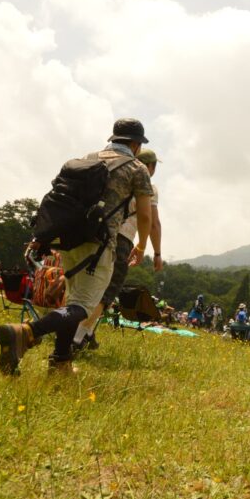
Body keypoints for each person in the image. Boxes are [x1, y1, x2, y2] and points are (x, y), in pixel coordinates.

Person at [0, 118, 154, 376]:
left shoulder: (88, 157)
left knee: (72, 302)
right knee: (82, 308)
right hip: (99, 244)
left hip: (68, 241)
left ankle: (61, 363)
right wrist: (142, 246)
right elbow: (145, 216)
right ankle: (25, 332)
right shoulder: (137, 168)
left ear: (114, 138)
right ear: (136, 145)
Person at [74, 147, 164, 351]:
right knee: (108, 289)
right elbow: (152, 222)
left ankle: (87, 333)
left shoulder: (116, 174)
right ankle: (77, 337)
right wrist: (155, 252)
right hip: (122, 239)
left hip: (94, 231)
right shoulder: (148, 185)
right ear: (150, 166)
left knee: (88, 284)